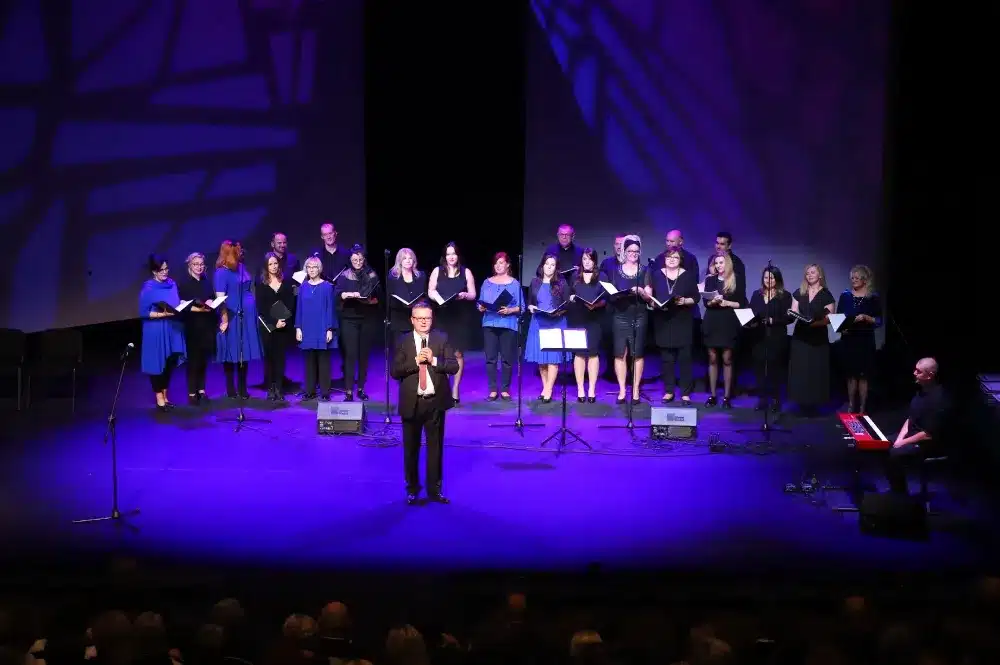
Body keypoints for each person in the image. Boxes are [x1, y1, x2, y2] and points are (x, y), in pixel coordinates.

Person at [390, 301, 459, 505]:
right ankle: (412, 489)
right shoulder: (403, 341)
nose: (423, 322)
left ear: (432, 319)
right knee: (411, 450)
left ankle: (434, 490)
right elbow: (395, 371)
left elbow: (453, 367)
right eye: (419, 318)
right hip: (412, 403)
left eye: (427, 318)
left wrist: (434, 360)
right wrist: (416, 362)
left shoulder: (441, 338)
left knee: (435, 449)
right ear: (412, 320)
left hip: (435, 403)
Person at [886, 358, 948, 494]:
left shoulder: (938, 399)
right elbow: (910, 418)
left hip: (927, 444)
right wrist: (900, 439)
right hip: (913, 436)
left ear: (930, 375)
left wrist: (903, 442)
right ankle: (897, 490)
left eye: (918, 371)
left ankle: (901, 495)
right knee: (883, 444)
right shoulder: (920, 393)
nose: (914, 373)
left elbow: (928, 434)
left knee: (894, 454)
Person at [427, 242, 476, 405]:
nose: (451, 257)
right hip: (442, 315)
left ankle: (455, 388)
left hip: (460, 316)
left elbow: (473, 294)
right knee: (441, 353)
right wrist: (437, 298)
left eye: (454, 253)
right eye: (448, 254)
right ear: (444, 256)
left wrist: (465, 295)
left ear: (458, 255)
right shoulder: (437, 271)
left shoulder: (466, 272)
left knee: (457, 354)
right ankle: (443, 387)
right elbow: (430, 290)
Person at [649, 248, 699, 404]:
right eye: (669, 257)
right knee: (667, 359)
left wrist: (684, 301)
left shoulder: (687, 276)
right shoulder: (656, 275)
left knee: (684, 359)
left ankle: (685, 393)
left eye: (675, 257)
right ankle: (669, 391)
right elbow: (650, 297)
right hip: (663, 320)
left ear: (680, 260)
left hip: (682, 320)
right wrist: (653, 304)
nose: (671, 260)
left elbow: (696, 297)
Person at [214, 240, 263, 399]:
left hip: (246, 314)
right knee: (231, 350)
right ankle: (230, 387)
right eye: (237, 250)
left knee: (244, 350)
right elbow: (220, 299)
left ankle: (242, 388)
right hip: (232, 314)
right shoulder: (221, 273)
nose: (240, 252)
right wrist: (224, 319)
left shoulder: (241, 267)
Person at [607, 235, 652, 404]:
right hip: (620, 315)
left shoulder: (645, 270)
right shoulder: (615, 270)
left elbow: (649, 297)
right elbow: (611, 293)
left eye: (636, 251)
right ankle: (621, 390)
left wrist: (641, 292)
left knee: (637, 354)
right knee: (620, 353)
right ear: (624, 251)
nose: (633, 253)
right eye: (630, 251)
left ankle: (635, 390)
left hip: (639, 315)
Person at [139, 254, 187, 411]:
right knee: (157, 363)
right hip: (156, 329)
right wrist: (162, 314)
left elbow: (175, 302)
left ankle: (166, 396)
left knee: (169, 362)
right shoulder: (148, 288)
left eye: (166, 269)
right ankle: (159, 398)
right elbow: (144, 312)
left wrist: (182, 304)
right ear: (154, 271)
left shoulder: (172, 284)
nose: (165, 272)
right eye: (161, 270)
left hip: (172, 327)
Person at [788, 263, 836, 413]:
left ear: (820, 275)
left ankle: (814, 404)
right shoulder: (799, 292)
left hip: (818, 338)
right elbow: (794, 311)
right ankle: (801, 403)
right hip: (800, 337)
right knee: (800, 370)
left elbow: (829, 318)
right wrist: (793, 314)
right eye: (807, 273)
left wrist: (814, 323)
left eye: (813, 272)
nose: (809, 275)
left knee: (815, 371)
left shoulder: (826, 295)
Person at [335, 244, 379, 401]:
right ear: (350, 259)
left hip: (367, 319)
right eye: (355, 260)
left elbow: (378, 295)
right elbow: (337, 293)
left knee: (363, 355)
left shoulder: (371, 274)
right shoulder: (344, 275)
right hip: (349, 319)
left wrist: (371, 299)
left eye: (360, 259)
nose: (358, 262)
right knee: (350, 354)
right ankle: (348, 390)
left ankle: (360, 388)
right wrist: (345, 295)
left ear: (364, 259)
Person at [836, 265, 882, 414]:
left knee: (863, 376)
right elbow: (838, 319)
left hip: (865, 340)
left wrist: (867, 318)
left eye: (857, 278)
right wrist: (845, 326)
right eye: (852, 278)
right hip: (849, 340)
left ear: (865, 280)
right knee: (851, 375)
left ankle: (862, 407)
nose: (854, 280)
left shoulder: (873, 297)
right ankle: (851, 405)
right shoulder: (845, 296)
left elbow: (879, 320)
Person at [478, 252, 524, 401]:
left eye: (501, 262)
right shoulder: (487, 282)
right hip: (489, 323)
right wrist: (480, 307)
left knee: (507, 359)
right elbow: (480, 302)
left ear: (507, 265)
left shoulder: (514, 283)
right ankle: (492, 390)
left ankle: (505, 389)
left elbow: (521, 307)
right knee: (490, 358)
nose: (498, 266)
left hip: (508, 324)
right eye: (496, 263)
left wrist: (509, 310)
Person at [702, 252, 744, 408]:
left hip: (728, 321)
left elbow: (741, 303)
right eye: (716, 263)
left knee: (727, 359)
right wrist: (713, 301)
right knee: (712, 358)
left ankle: (727, 397)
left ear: (728, 263)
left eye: (721, 262)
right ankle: (713, 395)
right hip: (712, 321)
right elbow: (706, 303)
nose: (719, 265)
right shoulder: (710, 280)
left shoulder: (736, 279)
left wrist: (726, 302)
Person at [525, 254, 570, 402]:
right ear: (542, 265)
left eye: (552, 265)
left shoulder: (561, 283)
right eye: (547, 264)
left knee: (553, 359)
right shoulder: (535, 282)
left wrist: (557, 312)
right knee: (542, 359)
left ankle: (549, 389)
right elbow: (530, 302)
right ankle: (545, 387)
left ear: (556, 268)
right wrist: (530, 307)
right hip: (538, 322)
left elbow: (567, 305)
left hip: (556, 323)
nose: (549, 267)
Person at [748, 266, 793, 412]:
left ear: (777, 279)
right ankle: (762, 399)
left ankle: (775, 399)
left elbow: (790, 318)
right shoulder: (757, 294)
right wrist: (750, 322)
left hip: (776, 336)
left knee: (775, 369)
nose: (768, 280)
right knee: (759, 369)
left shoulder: (785, 296)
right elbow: (750, 312)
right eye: (766, 277)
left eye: (772, 278)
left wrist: (774, 320)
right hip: (758, 336)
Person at [176, 252, 216, 405]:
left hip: (206, 325)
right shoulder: (185, 283)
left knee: (203, 360)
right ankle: (192, 393)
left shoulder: (206, 282)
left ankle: (202, 390)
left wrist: (211, 302)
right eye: (196, 264)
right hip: (192, 326)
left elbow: (212, 298)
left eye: (201, 264)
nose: (199, 267)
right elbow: (182, 305)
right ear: (190, 266)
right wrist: (198, 309)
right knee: (193, 360)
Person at [256, 252, 296, 401]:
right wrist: (274, 322)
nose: (273, 266)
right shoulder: (261, 284)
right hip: (268, 326)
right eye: (270, 264)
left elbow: (290, 303)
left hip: (283, 324)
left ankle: (279, 388)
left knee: (280, 358)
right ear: (266, 266)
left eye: (275, 263)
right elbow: (261, 307)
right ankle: (270, 388)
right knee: (269, 358)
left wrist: (283, 319)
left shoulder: (286, 281)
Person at [568, 249, 606, 402]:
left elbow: (606, 298)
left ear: (595, 261)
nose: (587, 262)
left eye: (590, 259)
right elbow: (569, 294)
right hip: (578, 318)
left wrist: (596, 305)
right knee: (579, 354)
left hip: (594, 319)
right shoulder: (575, 276)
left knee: (593, 354)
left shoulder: (602, 276)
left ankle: (591, 389)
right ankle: (580, 389)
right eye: (584, 259)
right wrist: (571, 297)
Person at [297, 256, 337, 400]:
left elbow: (330, 309)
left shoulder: (327, 287)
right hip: (307, 328)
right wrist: (298, 328)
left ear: (319, 269)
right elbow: (299, 308)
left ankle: (325, 392)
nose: (312, 270)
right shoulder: (303, 287)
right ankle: (310, 391)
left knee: (323, 362)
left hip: (322, 327)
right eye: (309, 267)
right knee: (309, 362)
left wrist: (329, 329)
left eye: (314, 267)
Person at [387, 248, 427, 335]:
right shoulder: (393, 278)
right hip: (399, 319)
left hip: (417, 319)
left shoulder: (421, 276)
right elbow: (389, 300)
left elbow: (424, 295)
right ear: (400, 261)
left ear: (414, 260)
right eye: (404, 258)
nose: (408, 261)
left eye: (410, 258)